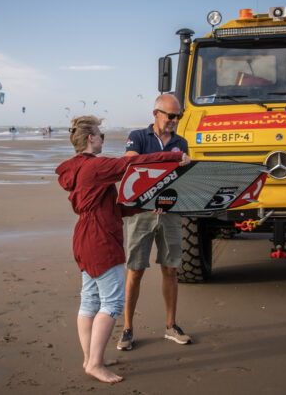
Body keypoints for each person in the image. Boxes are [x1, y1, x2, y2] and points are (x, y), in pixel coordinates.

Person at [56, 115, 189, 383]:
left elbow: (112, 207)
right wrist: (174, 158)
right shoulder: (96, 167)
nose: (103, 138)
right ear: (91, 138)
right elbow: (130, 163)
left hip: (85, 236)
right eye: (100, 134)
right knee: (113, 302)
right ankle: (95, 363)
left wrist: (145, 206)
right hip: (100, 239)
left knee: (90, 300)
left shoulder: (78, 168)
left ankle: (91, 358)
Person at [118, 94, 192, 351]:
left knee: (170, 269)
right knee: (135, 270)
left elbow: (183, 180)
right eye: (170, 115)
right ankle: (127, 329)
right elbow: (130, 163)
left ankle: (171, 326)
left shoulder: (182, 142)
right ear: (156, 114)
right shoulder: (138, 136)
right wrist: (169, 160)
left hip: (170, 213)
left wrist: (185, 167)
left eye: (178, 116)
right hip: (141, 214)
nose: (174, 120)